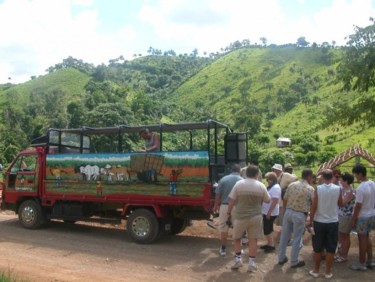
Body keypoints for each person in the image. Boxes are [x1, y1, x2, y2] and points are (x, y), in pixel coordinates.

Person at [227, 165, 271, 272]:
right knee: (253, 240)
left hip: (240, 216)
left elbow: (231, 200)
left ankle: (238, 260)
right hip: (256, 216)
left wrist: (228, 213)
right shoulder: (261, 185)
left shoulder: (239, 184)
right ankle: (251, 263)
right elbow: (267, 200)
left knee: (237, 238)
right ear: (257, 174)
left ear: (246, 173)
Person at [308, 169, 343, 279]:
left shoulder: (318, 189)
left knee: (317, 248)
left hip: (319, 221)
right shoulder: (338, 189)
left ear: (322, 177)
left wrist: (310, 220)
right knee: (331, 248)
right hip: (333, 221)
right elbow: (340, 203)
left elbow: (314, 206)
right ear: (332, 177)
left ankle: (316, 271)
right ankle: (327, 272)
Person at [278, 168, 314, 268]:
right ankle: (294, 261)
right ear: (309, 176)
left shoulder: (292, 185)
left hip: (288, 212)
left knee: (284, 236)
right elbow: (314, 204)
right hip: (300, 214)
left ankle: (281, 258)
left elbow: (285, 199)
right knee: (297, 238)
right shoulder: (310, 189)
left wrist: (285, 211)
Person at [212, 164, 243, 257]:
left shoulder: (224, 179)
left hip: (224, 206)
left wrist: (216, 205)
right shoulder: (242, 180)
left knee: (224, 228)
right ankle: (238, 250)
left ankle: (223, 248)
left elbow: (217, 194)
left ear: (231, 170)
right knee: (238, 228)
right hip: (237, 207)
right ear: (239, 170)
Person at [350, 164, 375, 270]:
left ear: (360, 174)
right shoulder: (373, 184)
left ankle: (361, 263)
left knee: (362, 240)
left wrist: (353, 219)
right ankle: (370, 260)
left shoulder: (360, 188)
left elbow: (358, 205)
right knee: (367, 237)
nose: (355, 177)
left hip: (362, 217)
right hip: (371, 214)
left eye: (356, 174)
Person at [335, 172, 355, 263]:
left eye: (342, 180)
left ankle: (344, 255)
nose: (340, 181)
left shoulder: (350, 192)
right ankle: (341, 253)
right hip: (342, 216)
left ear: (346, 181)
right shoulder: (345, 189)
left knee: (344, 236)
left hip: (346, 217)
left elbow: (342, 203)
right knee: (341, 235)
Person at [261, 171, 281, 253]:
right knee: (268, 228)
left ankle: (271, 244)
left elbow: (275, 200)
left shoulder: (275, 188)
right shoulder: (272, 187)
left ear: (272, 179)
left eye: (268, 179)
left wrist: (269, 212)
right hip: (268, 211)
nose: (267, 181)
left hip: (270, 212)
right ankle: (269, 243)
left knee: (267, 229)